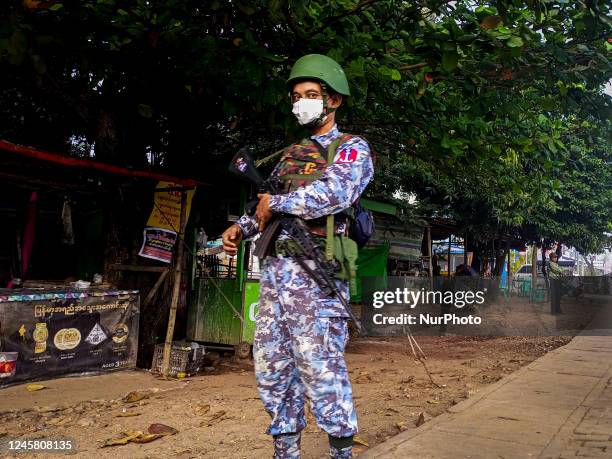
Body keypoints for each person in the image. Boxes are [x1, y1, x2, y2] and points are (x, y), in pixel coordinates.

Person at [222, 54, 374, 459]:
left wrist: (278, 203)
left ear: (333, 101)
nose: (300, 102)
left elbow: (334, 194)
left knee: (321, 369)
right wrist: (242, 227)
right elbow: (266, 206)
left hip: (317, 273)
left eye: (310, 94)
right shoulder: (290, 155)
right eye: (296, 96)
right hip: (275, 276)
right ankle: (284, 451)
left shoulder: (351, 148)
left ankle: (340, 452)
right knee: (272, 369)